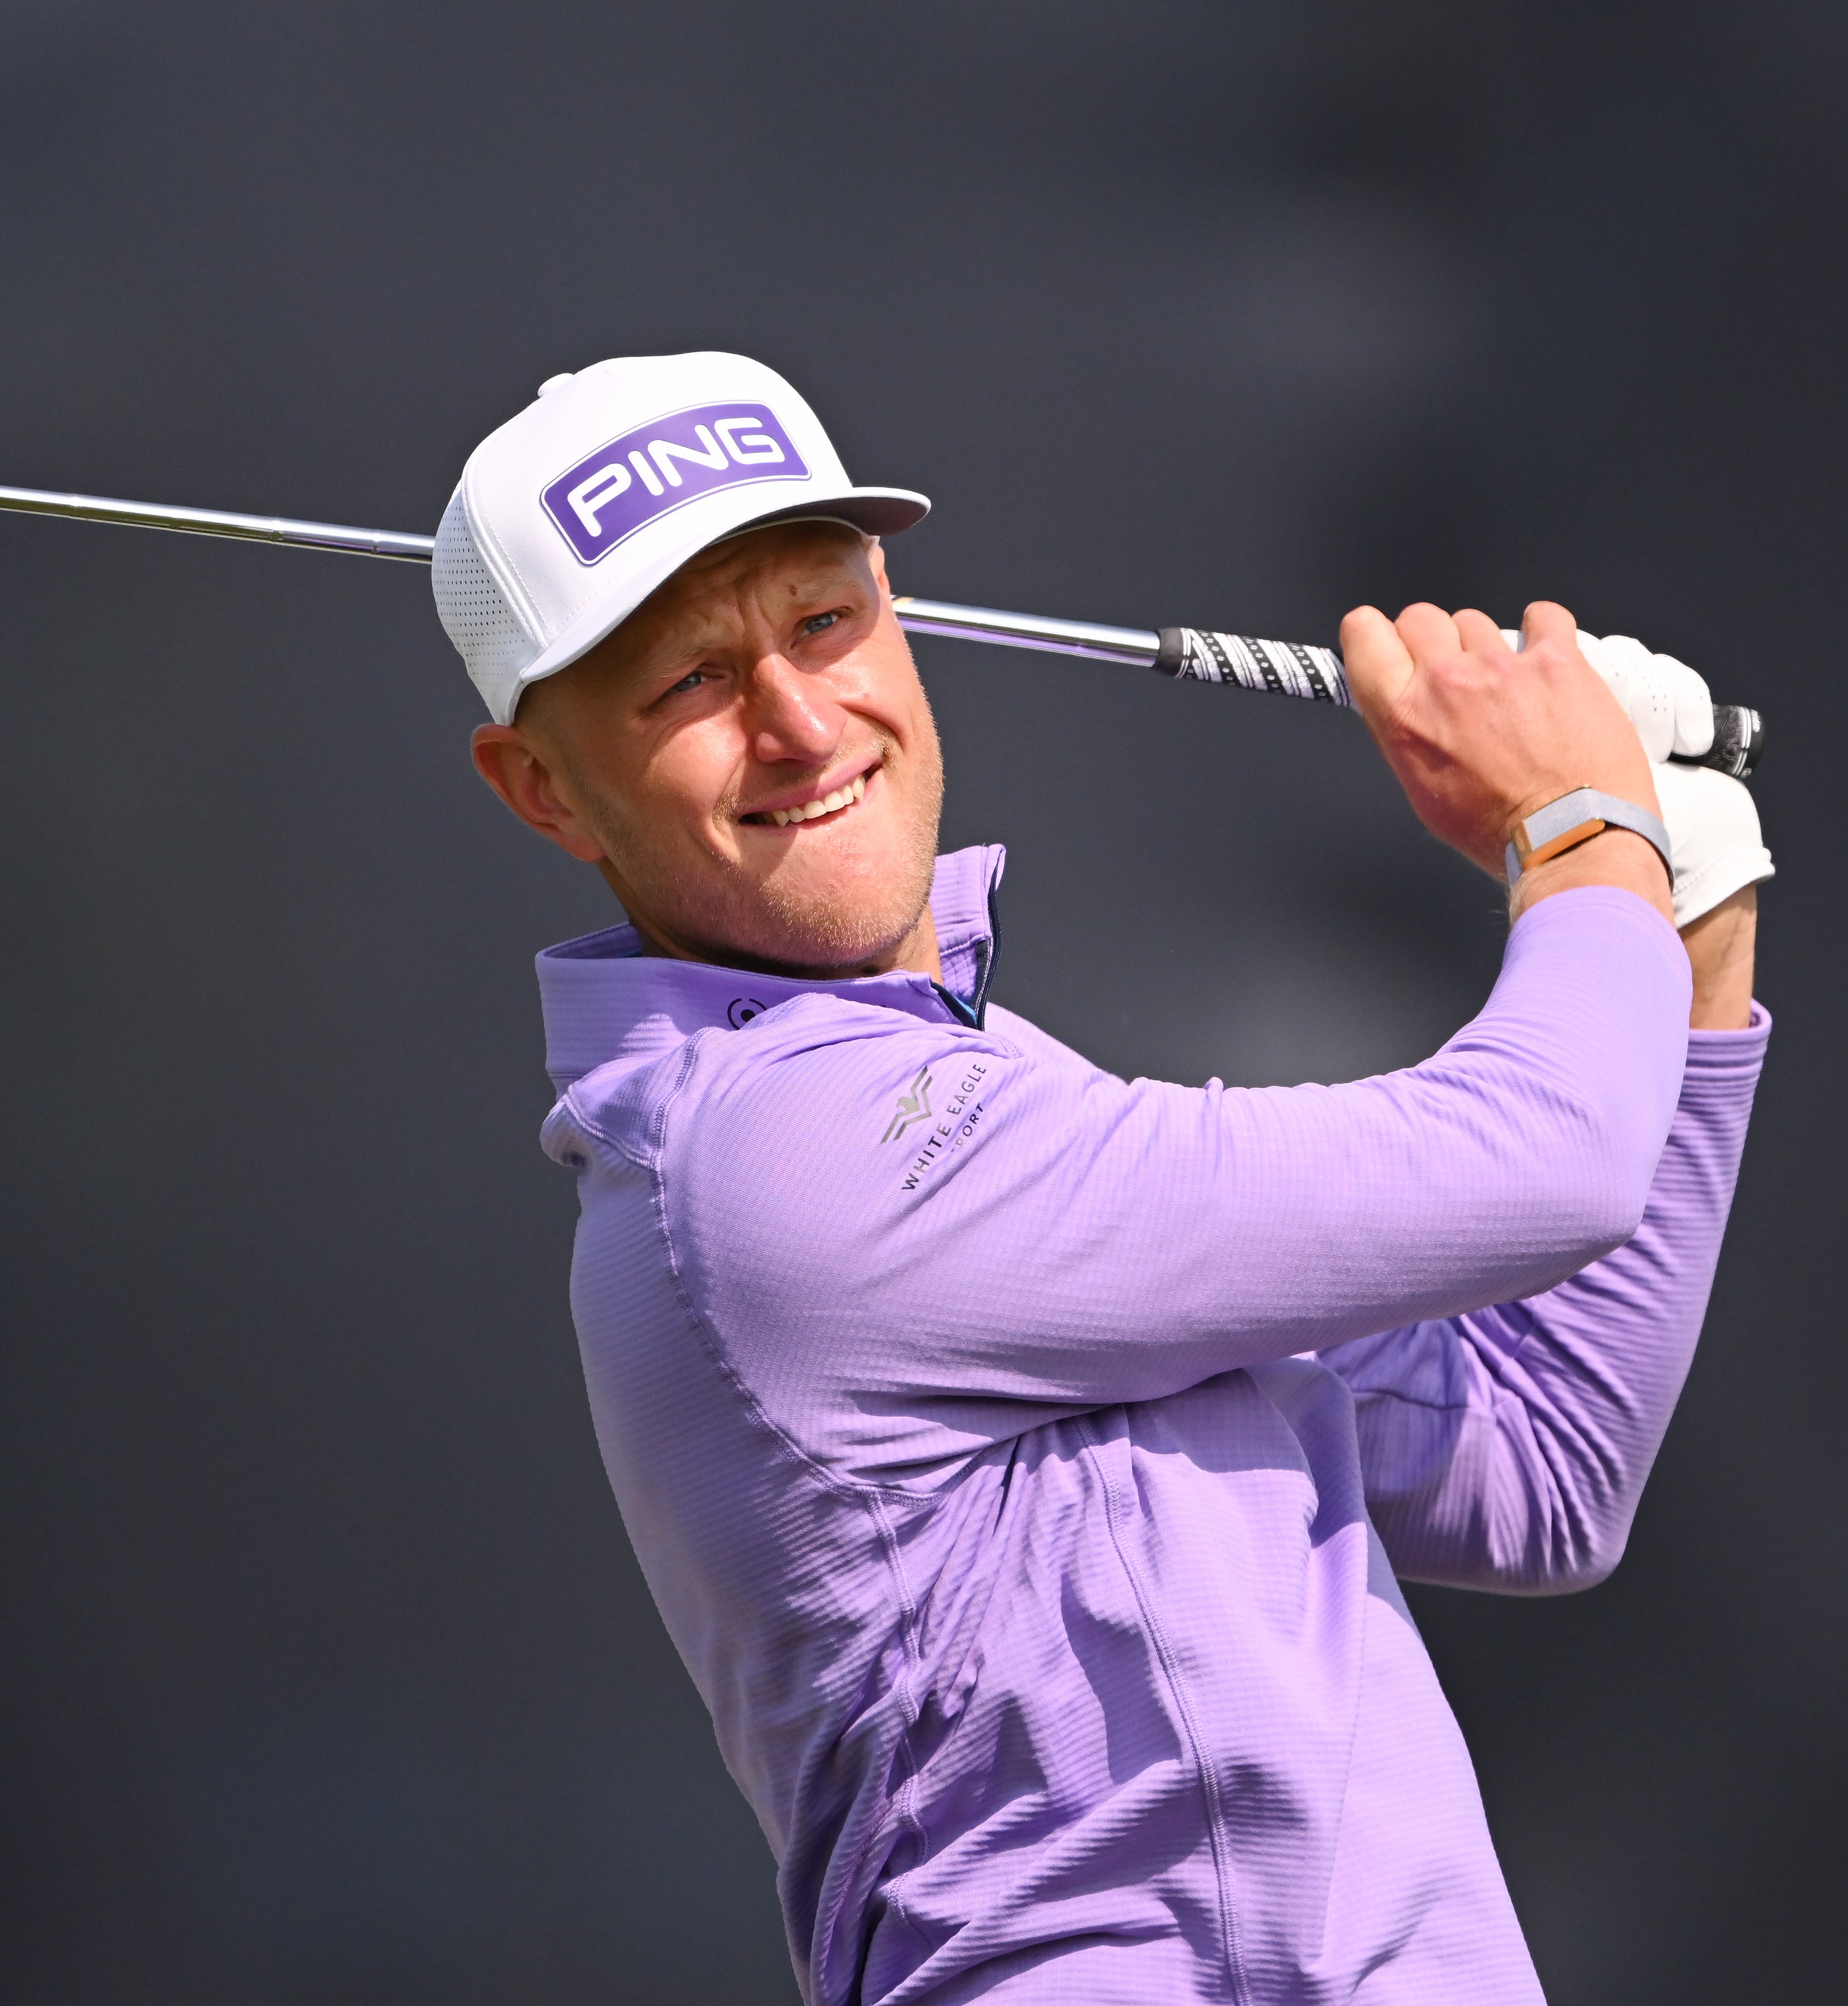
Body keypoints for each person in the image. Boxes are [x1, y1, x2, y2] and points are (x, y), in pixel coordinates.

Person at [440, 352, 1772, 2005]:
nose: (796, 722)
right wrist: (1578, 828)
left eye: (821, 620)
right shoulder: (773, 1153)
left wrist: (1691, 917)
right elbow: (1547, 1159)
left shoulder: (995, 1096)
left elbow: (1541, 1464)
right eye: (687, 685)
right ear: (540, 786)